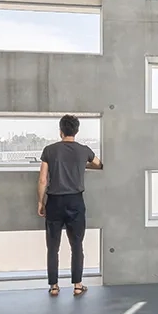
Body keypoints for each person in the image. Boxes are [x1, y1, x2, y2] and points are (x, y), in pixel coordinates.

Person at [37, 114, 103, 297]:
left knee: (52, 246)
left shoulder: (49, 150)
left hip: (54, 202)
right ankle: (77, 285)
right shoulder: (84, 150)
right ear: (77, 130)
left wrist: (41, 202)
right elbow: (99, 164)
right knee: (77, 245)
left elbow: (43, 179)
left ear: (60, 131)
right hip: (75, 201)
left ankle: (54, 286)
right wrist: (82, 165)